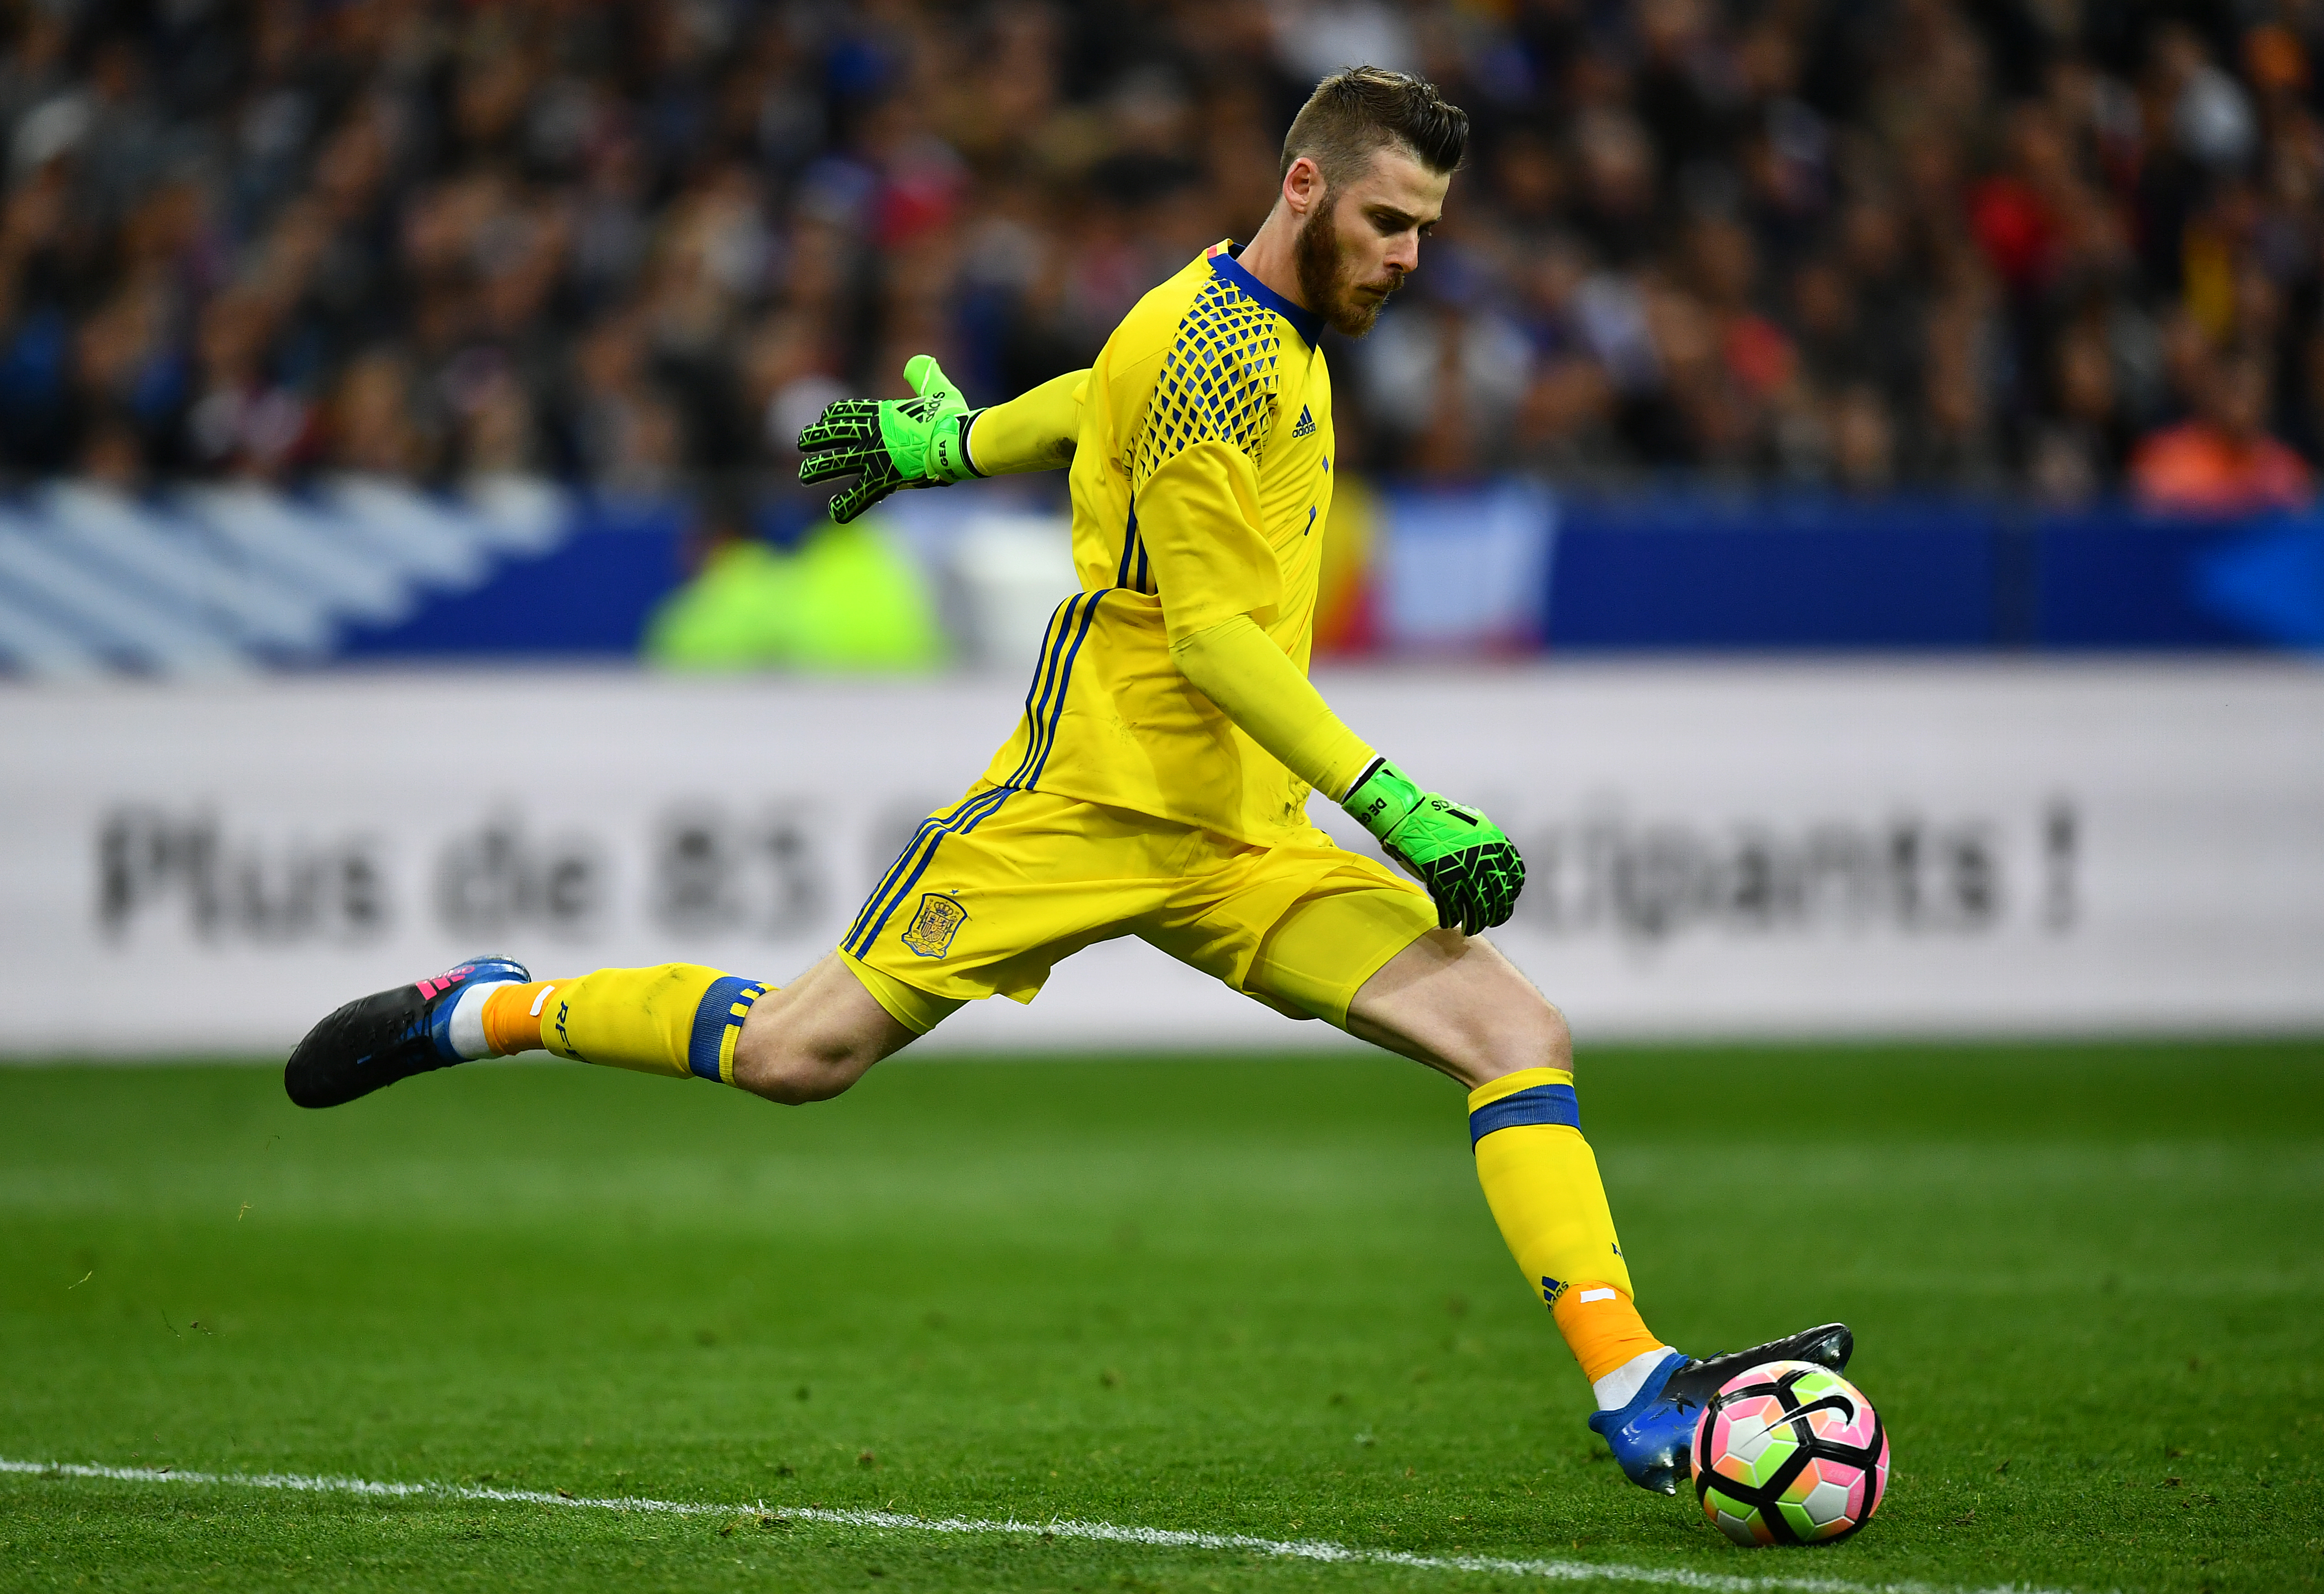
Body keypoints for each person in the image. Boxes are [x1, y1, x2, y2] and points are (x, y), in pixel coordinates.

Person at [285, 67, 1847, 1498]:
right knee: (793, 1055)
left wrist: (953, 443)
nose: (1409, 259)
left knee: (1515, 1032)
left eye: (1427, 231)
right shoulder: (1202, 342)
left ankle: (1636, 1388)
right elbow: (1222, 641)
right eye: (1388, 221)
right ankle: (489, 1005)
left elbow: (1093, 400)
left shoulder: (1261, 335)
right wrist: (1399, 801)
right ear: (1304, 188)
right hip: (1086, 804)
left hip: (1242, 836)